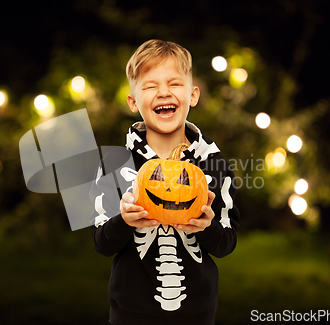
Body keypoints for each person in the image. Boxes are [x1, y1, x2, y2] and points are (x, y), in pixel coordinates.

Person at [90, 39, 239, 325]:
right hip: (129, 313)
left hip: (197, 313)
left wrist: (207, 228)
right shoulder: (114, 164)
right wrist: (124, 221)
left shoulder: (214, 164)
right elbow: (101, 243)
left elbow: (226, 244)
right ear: (133, 102)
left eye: (174, 84)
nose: (163, 93)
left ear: (193, 95)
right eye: (149, 86)